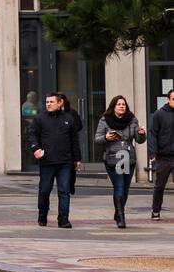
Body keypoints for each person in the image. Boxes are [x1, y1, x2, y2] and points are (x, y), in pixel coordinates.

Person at [28, 91, 82, 228]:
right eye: (47, 102)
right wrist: (35, 149)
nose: (48, 104)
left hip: (65, 162)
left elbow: (74, 140)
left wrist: (77, 159)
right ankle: (42, 214)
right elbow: (32, 135)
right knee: (45, 190)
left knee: (64, 191)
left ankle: (63, 219)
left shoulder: (69, 119)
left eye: (51, 102)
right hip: (47, 161)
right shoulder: (40, 119)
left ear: (60, 103)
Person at [94, 95, 146, 228]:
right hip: (113, 157)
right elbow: (97, 139)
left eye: (123, 104)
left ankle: (118, 211)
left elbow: (139, 140)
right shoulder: (105, 120)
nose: (121, 106)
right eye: (119, 104)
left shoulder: (132, 119)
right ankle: (121, 218)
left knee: (125, 189)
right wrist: (106, 137)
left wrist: (141, 133)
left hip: (129, 157)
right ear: (113, 107)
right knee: (119, 187)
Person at [150, 88, 174, 221]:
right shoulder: (159, 114)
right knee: (159, 186)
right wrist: (153, 153)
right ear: (168, 100)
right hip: (163, 157)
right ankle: (155, 210)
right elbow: (152, 134)